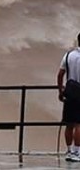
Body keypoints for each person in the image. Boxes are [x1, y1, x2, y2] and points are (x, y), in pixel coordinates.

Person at [58, 33, 80, 163]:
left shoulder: (68, 55)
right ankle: (77, 152)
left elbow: (60, 74)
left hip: (70, 92)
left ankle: (69, 151)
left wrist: (61, 90)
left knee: (69, 124)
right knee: (79, 124)